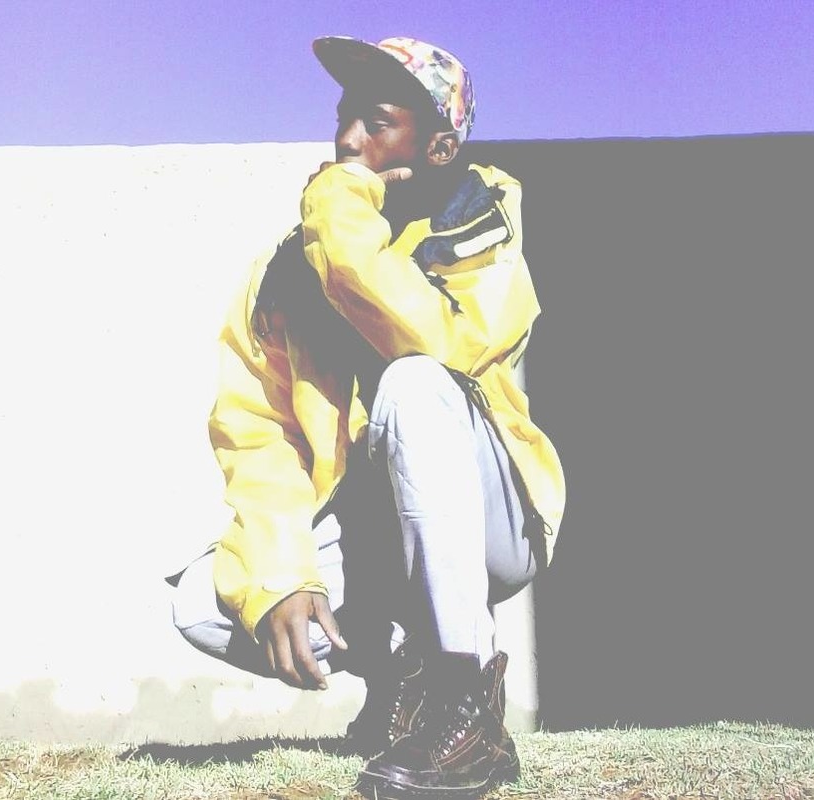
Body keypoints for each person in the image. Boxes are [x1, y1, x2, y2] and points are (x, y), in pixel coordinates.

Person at [168, 35, 565, 800]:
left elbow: (443, 345)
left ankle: (463, 703)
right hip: (376, 529)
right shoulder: (289, 266)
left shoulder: (479, 214)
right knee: (206, 601)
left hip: (495, 519)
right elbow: (258, 432)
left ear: (439, 146)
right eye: (344, 116)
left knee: (414, 385)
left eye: (377, 122)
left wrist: (339, 209)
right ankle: (401, 687)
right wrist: (282, 575)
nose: (349, 139)